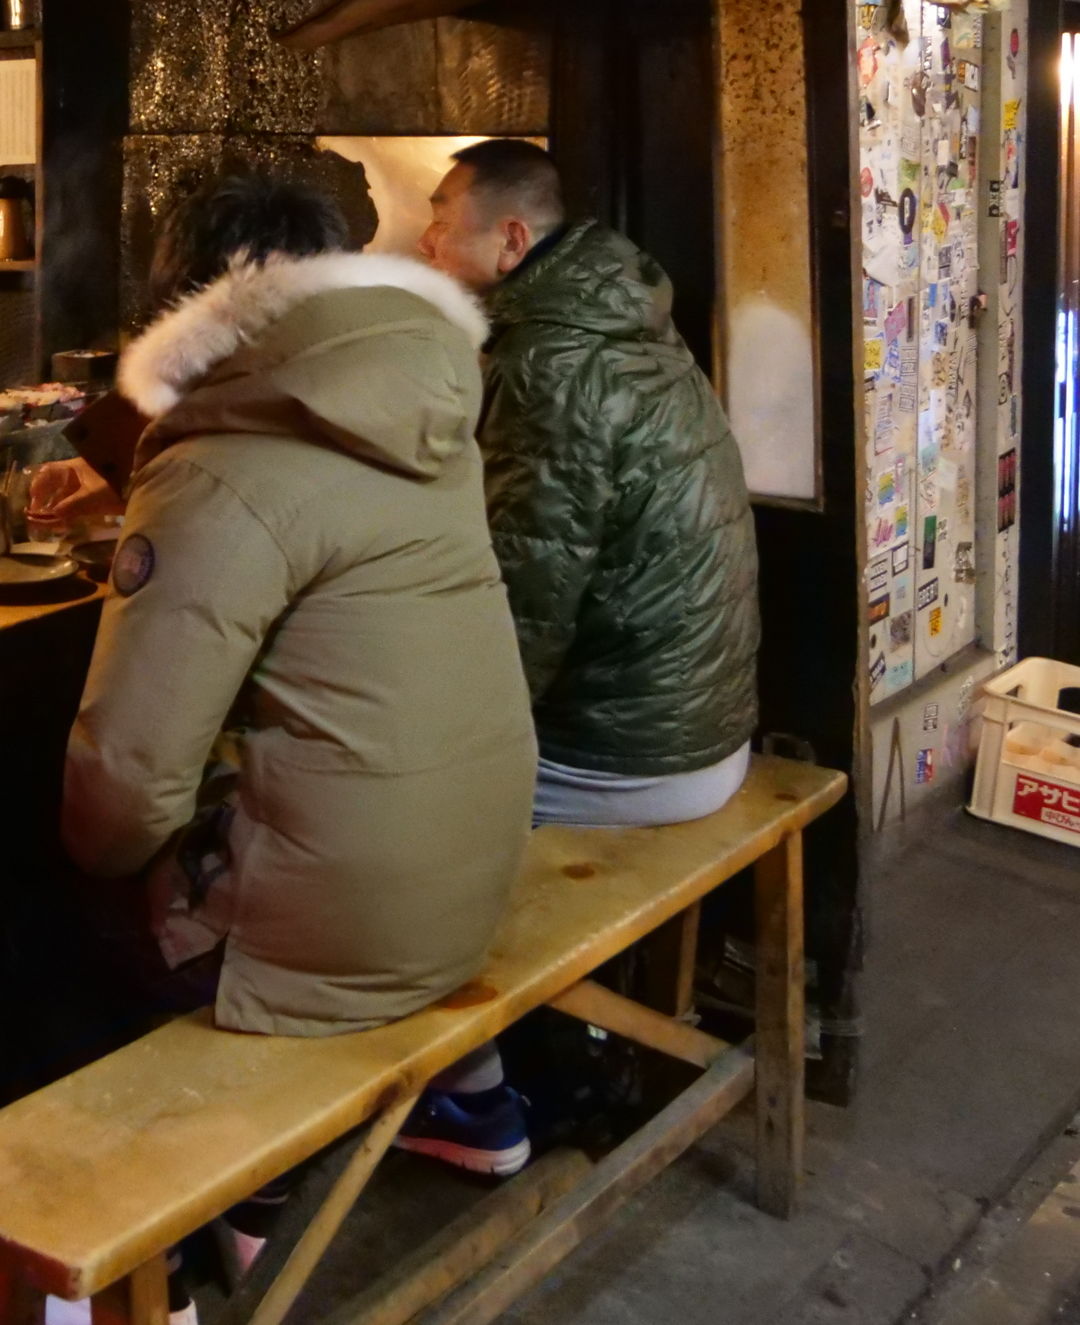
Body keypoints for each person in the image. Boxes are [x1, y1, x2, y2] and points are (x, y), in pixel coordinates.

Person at [62, 170, 541, 1177]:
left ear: (191, 306)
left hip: (339, 936)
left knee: (58, 913)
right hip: (471, 881)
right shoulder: (423, 409)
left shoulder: (217, 469)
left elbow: (122, 797)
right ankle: (468, 1091)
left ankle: (187, 1219)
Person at [419, 139, 760, 827]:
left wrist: (438, 733)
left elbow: (524, 599)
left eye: (443, 217)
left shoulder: (549, 358)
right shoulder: (617, 316)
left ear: (513, 239)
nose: (426, 241)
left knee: (378, 789)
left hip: (628, 759)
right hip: (704, 729)